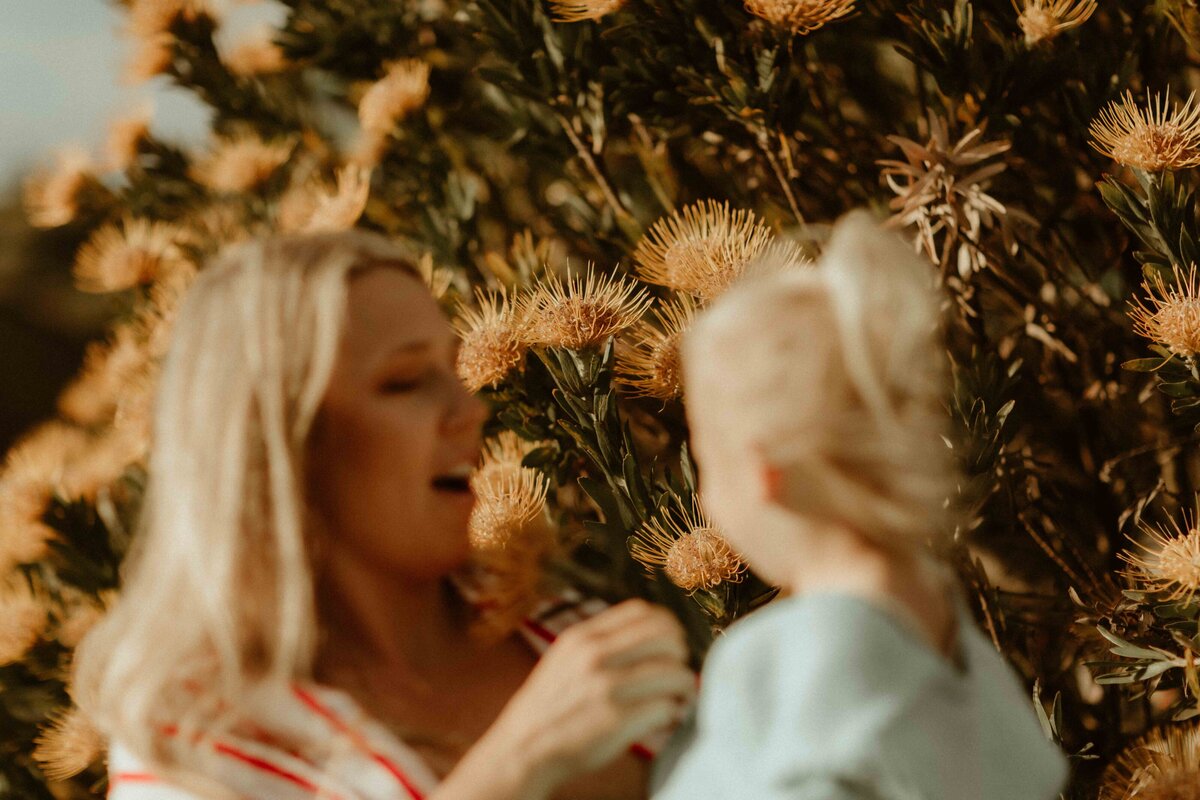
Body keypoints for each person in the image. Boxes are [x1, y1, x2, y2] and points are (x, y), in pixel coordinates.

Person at [72, 231, 695, 800]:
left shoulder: (569, 637)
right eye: (404, 382)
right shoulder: (201, 744)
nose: (470, 409)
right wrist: (516, 765)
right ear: (281, 447)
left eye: (453, 370)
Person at [651, 211, 1069, 799]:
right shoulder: (954, 638)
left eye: (703, 462)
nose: (703, 497)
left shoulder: (777, 668)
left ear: (759, 470)